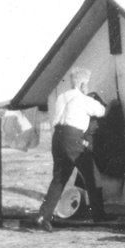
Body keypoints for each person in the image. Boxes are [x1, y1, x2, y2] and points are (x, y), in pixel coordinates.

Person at [35, 67, 107, 231]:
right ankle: (99, 215)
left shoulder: (62, 97)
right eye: (87, 85)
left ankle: (42, 216)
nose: (87, 88)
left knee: (59, 179)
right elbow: (102, 111)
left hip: (57, 138)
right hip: (72, 138)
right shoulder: (83, 100)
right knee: (93, 175)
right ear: (82, 85)